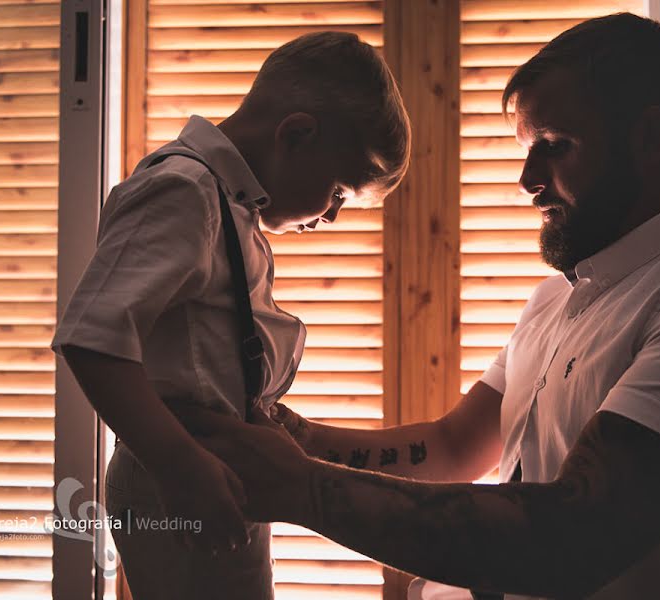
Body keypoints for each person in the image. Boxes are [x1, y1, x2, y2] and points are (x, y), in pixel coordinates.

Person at [172, 13, 660, 600]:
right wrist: (296, 438)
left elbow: (571, 536)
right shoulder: (554, 303)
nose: (527, 180)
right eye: (525, 149)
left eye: (555, 145)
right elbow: (453, 444)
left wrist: (299, 488)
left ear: (652, 136)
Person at [50, 32, 410, 599]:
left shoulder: (229, 206)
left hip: (211, 472)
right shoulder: (183, 191)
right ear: (296, 134)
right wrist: (179, 465)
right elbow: (92, 338)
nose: (335, 216)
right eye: (340, 191)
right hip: (182, 480)